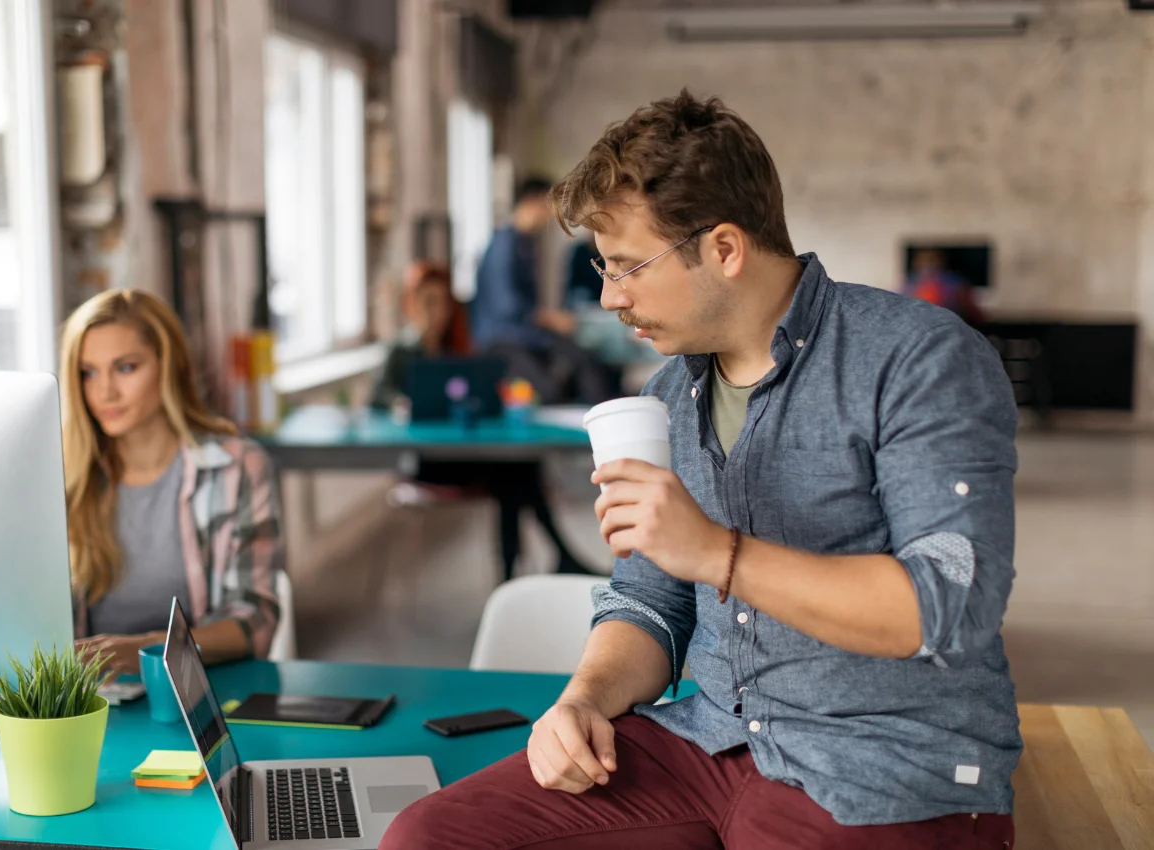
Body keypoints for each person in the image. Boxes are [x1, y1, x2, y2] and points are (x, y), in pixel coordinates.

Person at [383, 91, 1019, 849]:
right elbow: (649, 601)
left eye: (627, 268)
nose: (611, 297)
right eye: (602, 268)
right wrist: (585, 699)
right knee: (428, 837)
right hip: (707, 739)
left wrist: (716, 552)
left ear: (723, 248)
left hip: (878, 768)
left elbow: (947, 605)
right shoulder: (665, 397)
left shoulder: (918, 359)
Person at [61, 289, 282, 679]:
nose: (104, 391)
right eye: (88, 372)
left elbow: (255, 623)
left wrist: (148, 651)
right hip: (90, 703)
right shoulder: (65, 477)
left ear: (169, 366)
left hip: (201, 694)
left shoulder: (236, 469)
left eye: (125, 368)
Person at [373, 262, 594, 580]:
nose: (435, 312)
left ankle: (515, 570)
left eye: (441, 303)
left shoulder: (459, 348)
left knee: (516, 468)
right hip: (428, 461)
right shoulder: (401, 351)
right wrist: (400, 403)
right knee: (514, 474)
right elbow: (377, 396)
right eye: (427, 302)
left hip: (466, 453)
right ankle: (537, 563)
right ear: (411, 304)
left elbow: (482, 396)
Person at [471, 176, 616, 405]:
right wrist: (551, 319)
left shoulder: (524, 243)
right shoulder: (504, 244)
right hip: (504, 339)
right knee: (549, 389)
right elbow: (507, 305)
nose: (549, 215)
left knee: (584, 360)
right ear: (533, 201)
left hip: (526, 335)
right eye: (548, 207)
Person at [904, 247, 985, 328]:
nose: (928, 265)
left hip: (950, 327)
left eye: (932, 260)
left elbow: (972, 311)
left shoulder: (955, 283)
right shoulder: (909, 284)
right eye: (924, 261)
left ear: (941, 262)